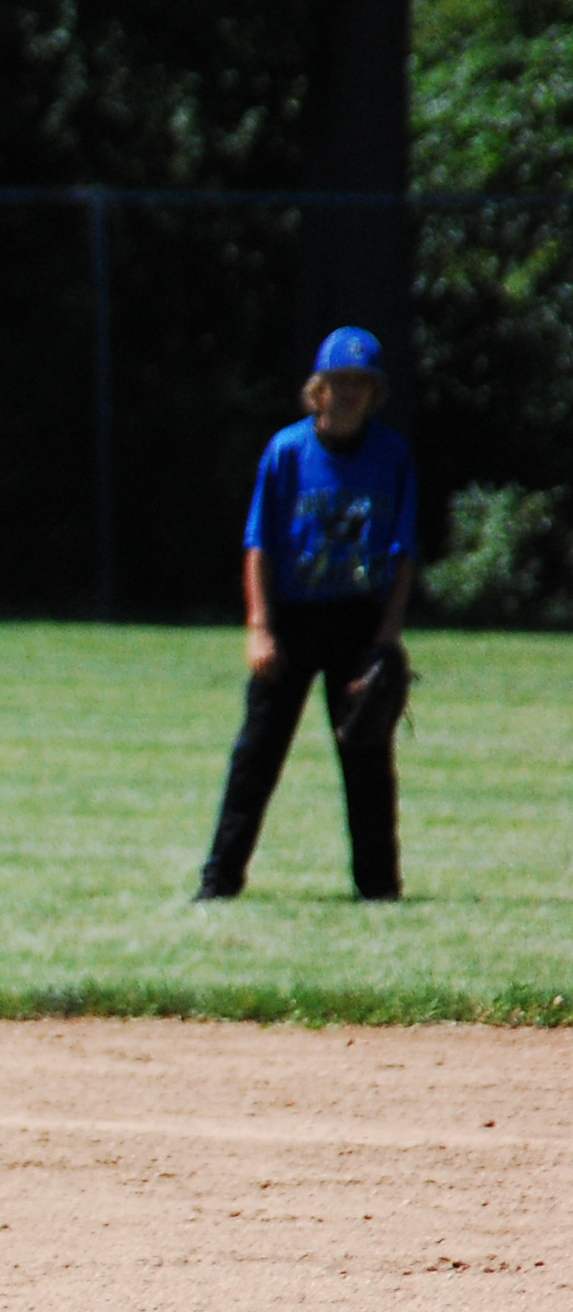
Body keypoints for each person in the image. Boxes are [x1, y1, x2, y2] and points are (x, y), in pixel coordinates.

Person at [196, 326, 418, 902]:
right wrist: (259, 627)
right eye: (339, 381)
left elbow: (403, 551)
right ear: (318, 389)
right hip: (291, 619)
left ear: (374, 392)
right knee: (257, 753)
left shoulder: (391, 454)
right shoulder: (288, 451)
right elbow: (259, 545)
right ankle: (219, 882)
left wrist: (388, 635)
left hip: (358, 619)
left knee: (366, 753)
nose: (349, 392)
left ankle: (378, 888)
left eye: (361, 382)